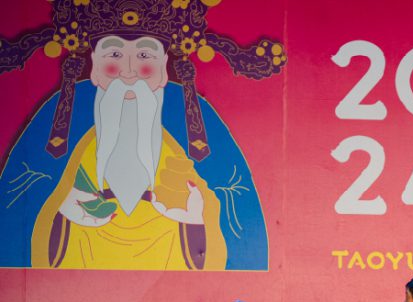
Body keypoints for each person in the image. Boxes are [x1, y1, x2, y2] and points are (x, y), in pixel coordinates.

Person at [0, 0, 285, 270]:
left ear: (164, 69)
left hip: (174, 279)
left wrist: (197, 219)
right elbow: (21, 194)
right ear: (94, 67)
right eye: (114, 55)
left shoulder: (194, 117)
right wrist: (60, 209)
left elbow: (236, 204)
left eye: (144, 56)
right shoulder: (62, 113)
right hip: (73, 277)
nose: (129, 72)